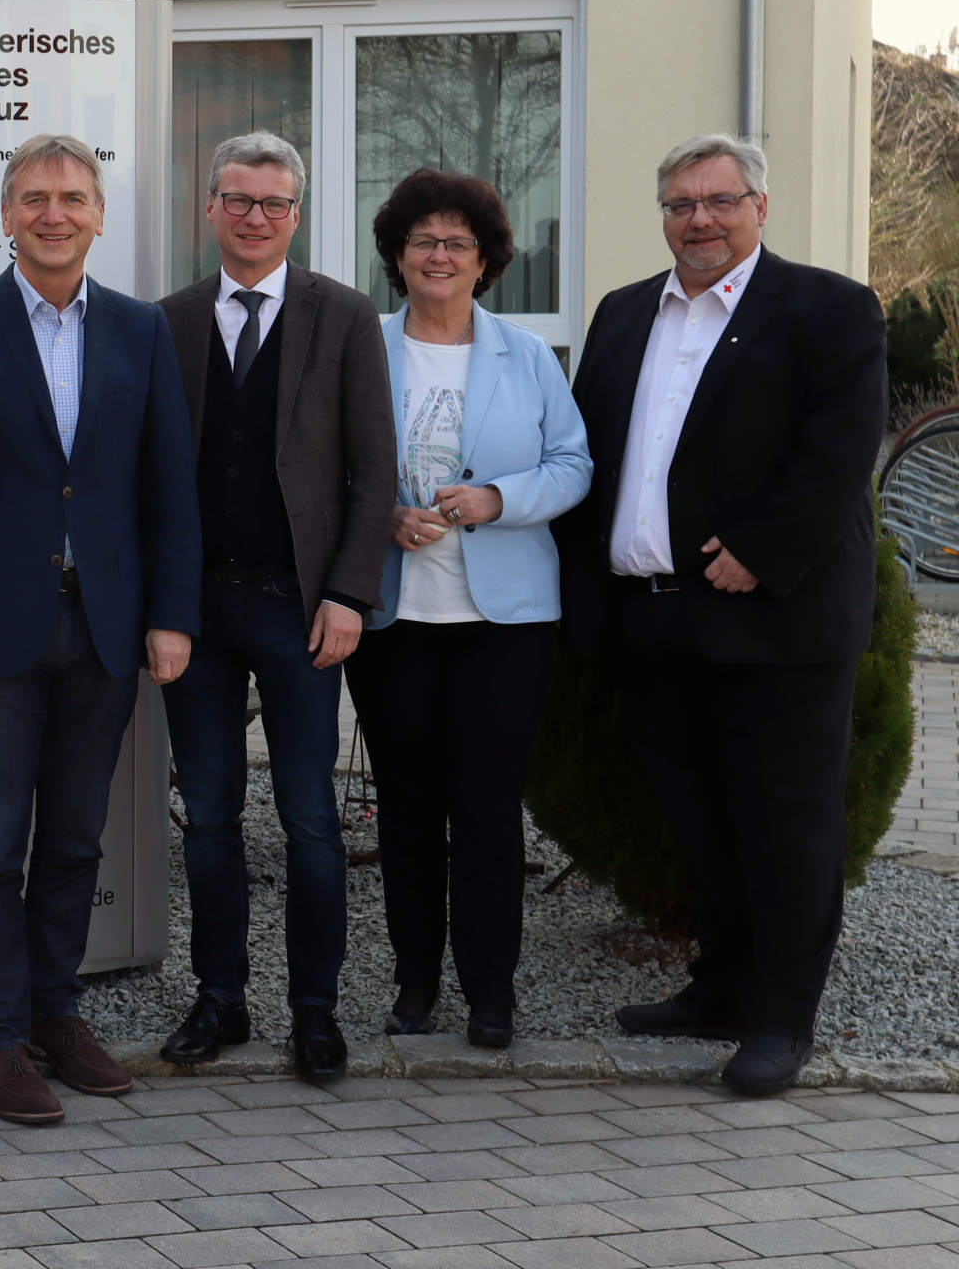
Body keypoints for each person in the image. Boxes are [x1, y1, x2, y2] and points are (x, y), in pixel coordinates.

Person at [556, 134, 886, 1096]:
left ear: (760, 207)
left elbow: (837, 451)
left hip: (773, 618)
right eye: (680, 203)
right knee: (700, 822)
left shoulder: (826, 307)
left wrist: (763, 551)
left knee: (786, 826)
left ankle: (783, 1020)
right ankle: (722, 987)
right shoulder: (623, 314)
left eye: (720, 200)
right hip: (649, 620)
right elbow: (595, 459)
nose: (699, 218)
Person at [0, 133, 202, 1127]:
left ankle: (57, 1015)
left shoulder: (139, 330)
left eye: (73, 196)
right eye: (35, 196)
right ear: (7, 214)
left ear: (101, 214)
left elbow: (167, 486)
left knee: (74, 839)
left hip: (106, 629)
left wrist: (170, 615)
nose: (54, 212)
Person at [155, 130, 396, 1084]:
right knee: (209, 816)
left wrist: (348, 594)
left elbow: (374, 475)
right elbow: (148, 477)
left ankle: (315, 1010)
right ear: (210, 208)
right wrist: (157, 608)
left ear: (297, 215)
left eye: (276, 205)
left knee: (308, 819)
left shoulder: (343, 317)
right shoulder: (166, 321)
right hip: (198, 614)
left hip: (303, 612)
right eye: (240, 201)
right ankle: (220, 999)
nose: (257, 218)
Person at [341, 170, 589, 1050]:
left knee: (486, 808)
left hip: (506, 623)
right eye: (422, 242)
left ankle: (491, 992)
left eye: (457, 244)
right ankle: (415, 985)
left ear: (485, 262)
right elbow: (325, 468)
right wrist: (378, 518)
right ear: (397, 257)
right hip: (393, 619)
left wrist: (498, 497)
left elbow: (573, 465)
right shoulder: (359, 348)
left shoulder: (527, 356)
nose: (439, 256)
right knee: (406, 808)